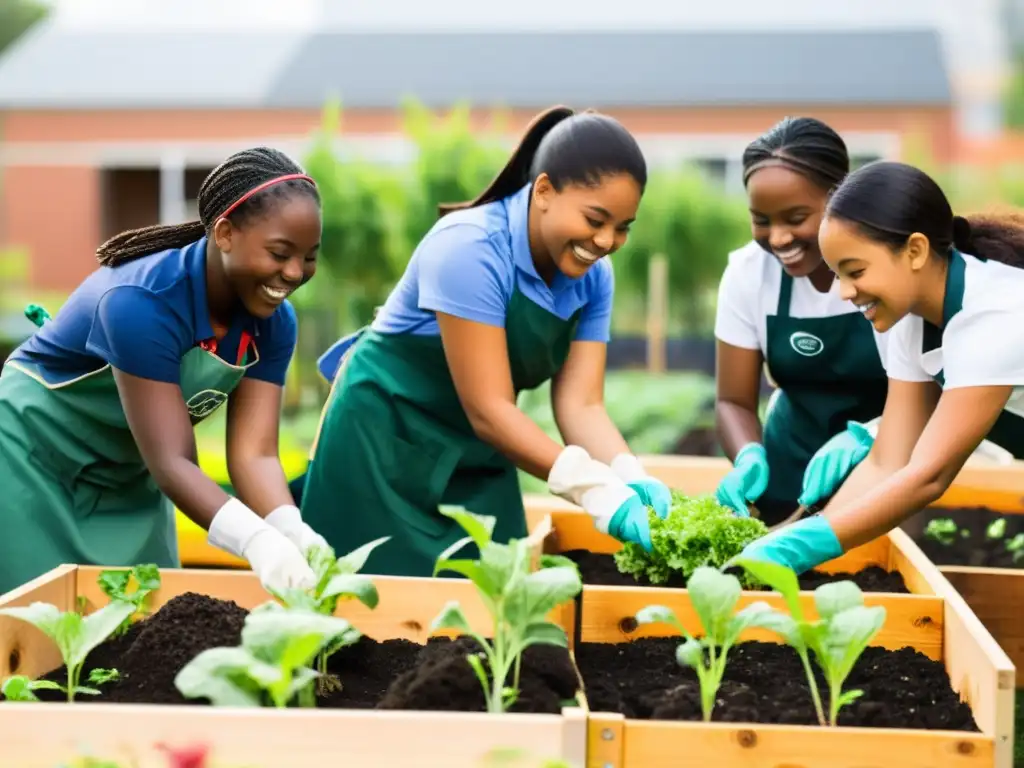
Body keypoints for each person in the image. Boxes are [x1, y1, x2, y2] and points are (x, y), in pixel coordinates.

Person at [299, 105, 673, 577]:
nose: (605, 240)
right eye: (595, 219)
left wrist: (627, 471)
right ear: (543, 191)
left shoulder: (594, 278)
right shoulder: (470, 248)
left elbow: (582, 405)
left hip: (476, 454)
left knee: (494, 616)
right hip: (384, 443)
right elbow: (490, 409)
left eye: (622, 228)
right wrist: (591, 487)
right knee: (368, 618)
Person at [0, 147, 328, 595]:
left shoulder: (273, 323)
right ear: (226, 233)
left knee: (151, 628)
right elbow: (173, 461)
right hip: (32, 459)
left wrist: (292, 531)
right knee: (35, 632)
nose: (293, 273)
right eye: (279, 252)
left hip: (130, 468)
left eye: (309, 257)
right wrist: (255, 541)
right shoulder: (141, 302)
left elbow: (255, 455)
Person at [736, 160, 1024, 573]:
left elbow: (927, 476)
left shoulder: (993, 315)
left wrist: (805, 546)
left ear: (915, 250)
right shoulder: (907, 318)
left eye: (855, 271)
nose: (844, 292)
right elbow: (889, 460)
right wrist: (801, 531)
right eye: (836, 274)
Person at [713, 117, 890, 525]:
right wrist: (747, 458)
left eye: (795, 218)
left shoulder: (888, 271)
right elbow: (732, 400)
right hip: (786, 470)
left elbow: (926, 395)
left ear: (839, 199)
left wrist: (869, 437)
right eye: (761, 219)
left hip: (885, 468)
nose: (777, 238)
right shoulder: (748, 274)